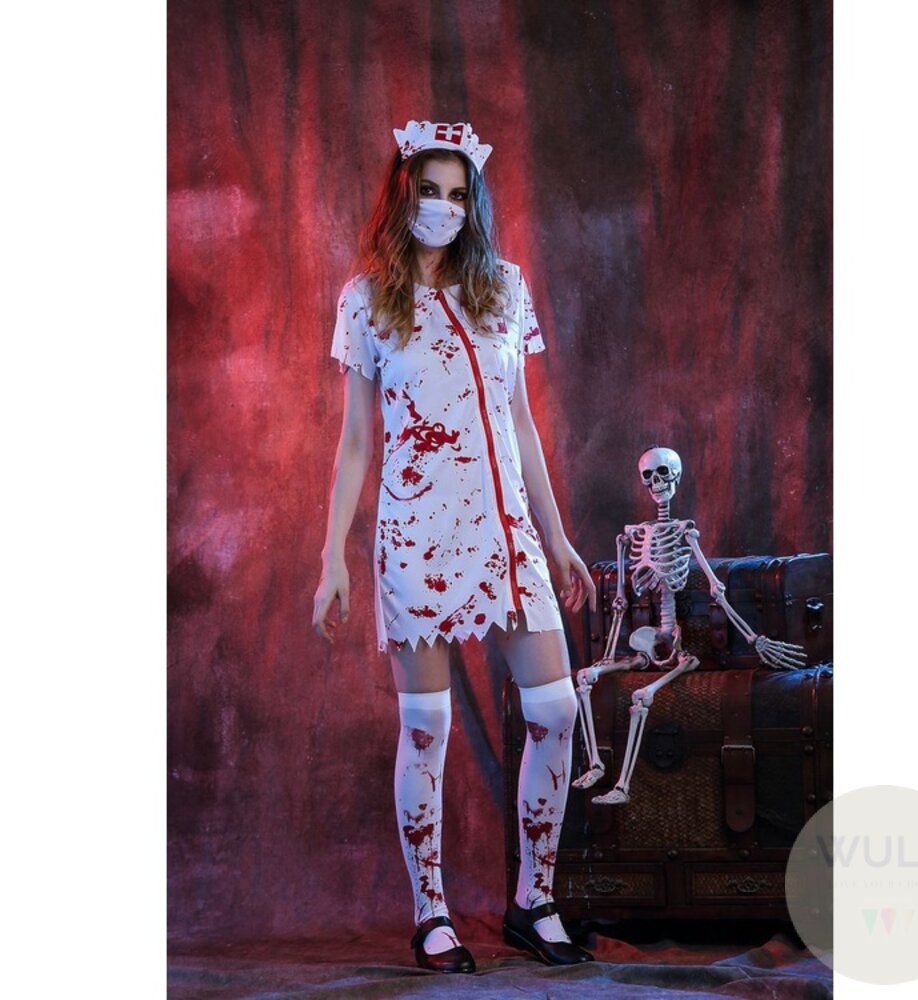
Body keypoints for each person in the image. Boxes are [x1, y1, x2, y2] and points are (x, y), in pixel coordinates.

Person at [312, 120, 597, 974]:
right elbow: (355, 442)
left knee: (555, 710)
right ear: (403, 196)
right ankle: (431, 914)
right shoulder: (367, 301)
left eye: (458, 194)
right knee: (427, 725)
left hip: (506, 532)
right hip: (417, 535)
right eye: (429, 191)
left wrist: (557, 537)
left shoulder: (503, 289)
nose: (443, 207)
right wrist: (332, 557)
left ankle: (533, 900)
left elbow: (520, 422)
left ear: (474, 205)